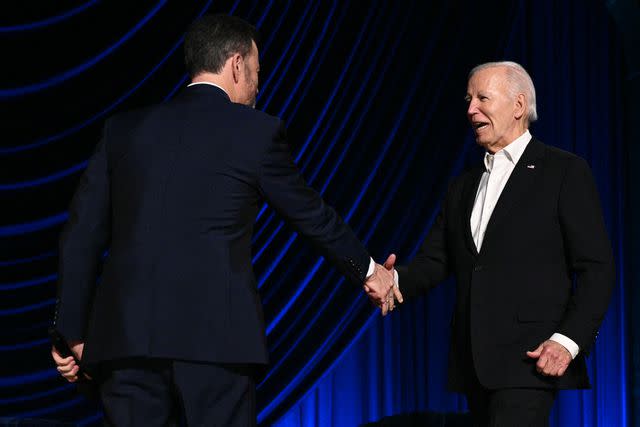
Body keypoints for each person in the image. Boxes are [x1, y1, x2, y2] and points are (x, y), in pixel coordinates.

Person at [51, 14, 400, 427]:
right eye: (256, 72)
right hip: (217, 344)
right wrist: (370, 271)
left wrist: (71, 333)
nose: (257, 85)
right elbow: (312, 216)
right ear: (236, 65)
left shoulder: (122, 131)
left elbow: (81, 237)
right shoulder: (254, 131)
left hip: (126, 344)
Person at [378, 61, 615, 426]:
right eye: (468, 99)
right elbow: (436, 260)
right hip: (475, 363)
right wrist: (393, 282)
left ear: (518, 106)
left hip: (530, 360)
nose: (471, 109)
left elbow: (597, 268)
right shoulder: (463, 185)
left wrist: (568, 340)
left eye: (482, 98)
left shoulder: (564, 171)